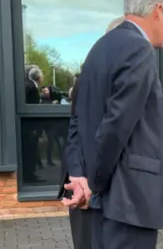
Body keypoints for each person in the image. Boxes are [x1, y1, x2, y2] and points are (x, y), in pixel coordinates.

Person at [61, 0, 163, 249]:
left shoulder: (100, 47)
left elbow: (79, 121)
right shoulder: (138, 49)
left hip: (99, 206)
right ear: (157, 10)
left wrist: (81, 176)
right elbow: (115, 126)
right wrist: (96, 184)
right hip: (126, 205)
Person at [58, 16, 125, 249]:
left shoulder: (129, 81)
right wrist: (78, 176)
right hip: (86, 187)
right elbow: (75, 128)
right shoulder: (88, 79)